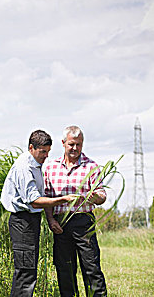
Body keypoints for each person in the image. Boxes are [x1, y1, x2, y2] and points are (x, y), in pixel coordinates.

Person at [0, 130, 80, 297]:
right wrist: (62, 199)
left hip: (31, 220)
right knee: (25, 271)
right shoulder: (25, 167)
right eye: (43, 151)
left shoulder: (36, 164)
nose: (46, 156)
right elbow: (33, 201)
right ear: (31, 147)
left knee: (29, 270)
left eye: (48, 152)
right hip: (22, 221)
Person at [44, 126, 107, 297]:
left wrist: (95, 197)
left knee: (91, 268)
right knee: (64, 269)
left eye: (78, 145)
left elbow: (102, 195)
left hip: (83, 223)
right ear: (63, 143)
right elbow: (47, 198)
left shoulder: (92, 167)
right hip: (60, 224)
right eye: (71, 144)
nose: (75, 148)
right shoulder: (51, 168)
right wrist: (51, 221)